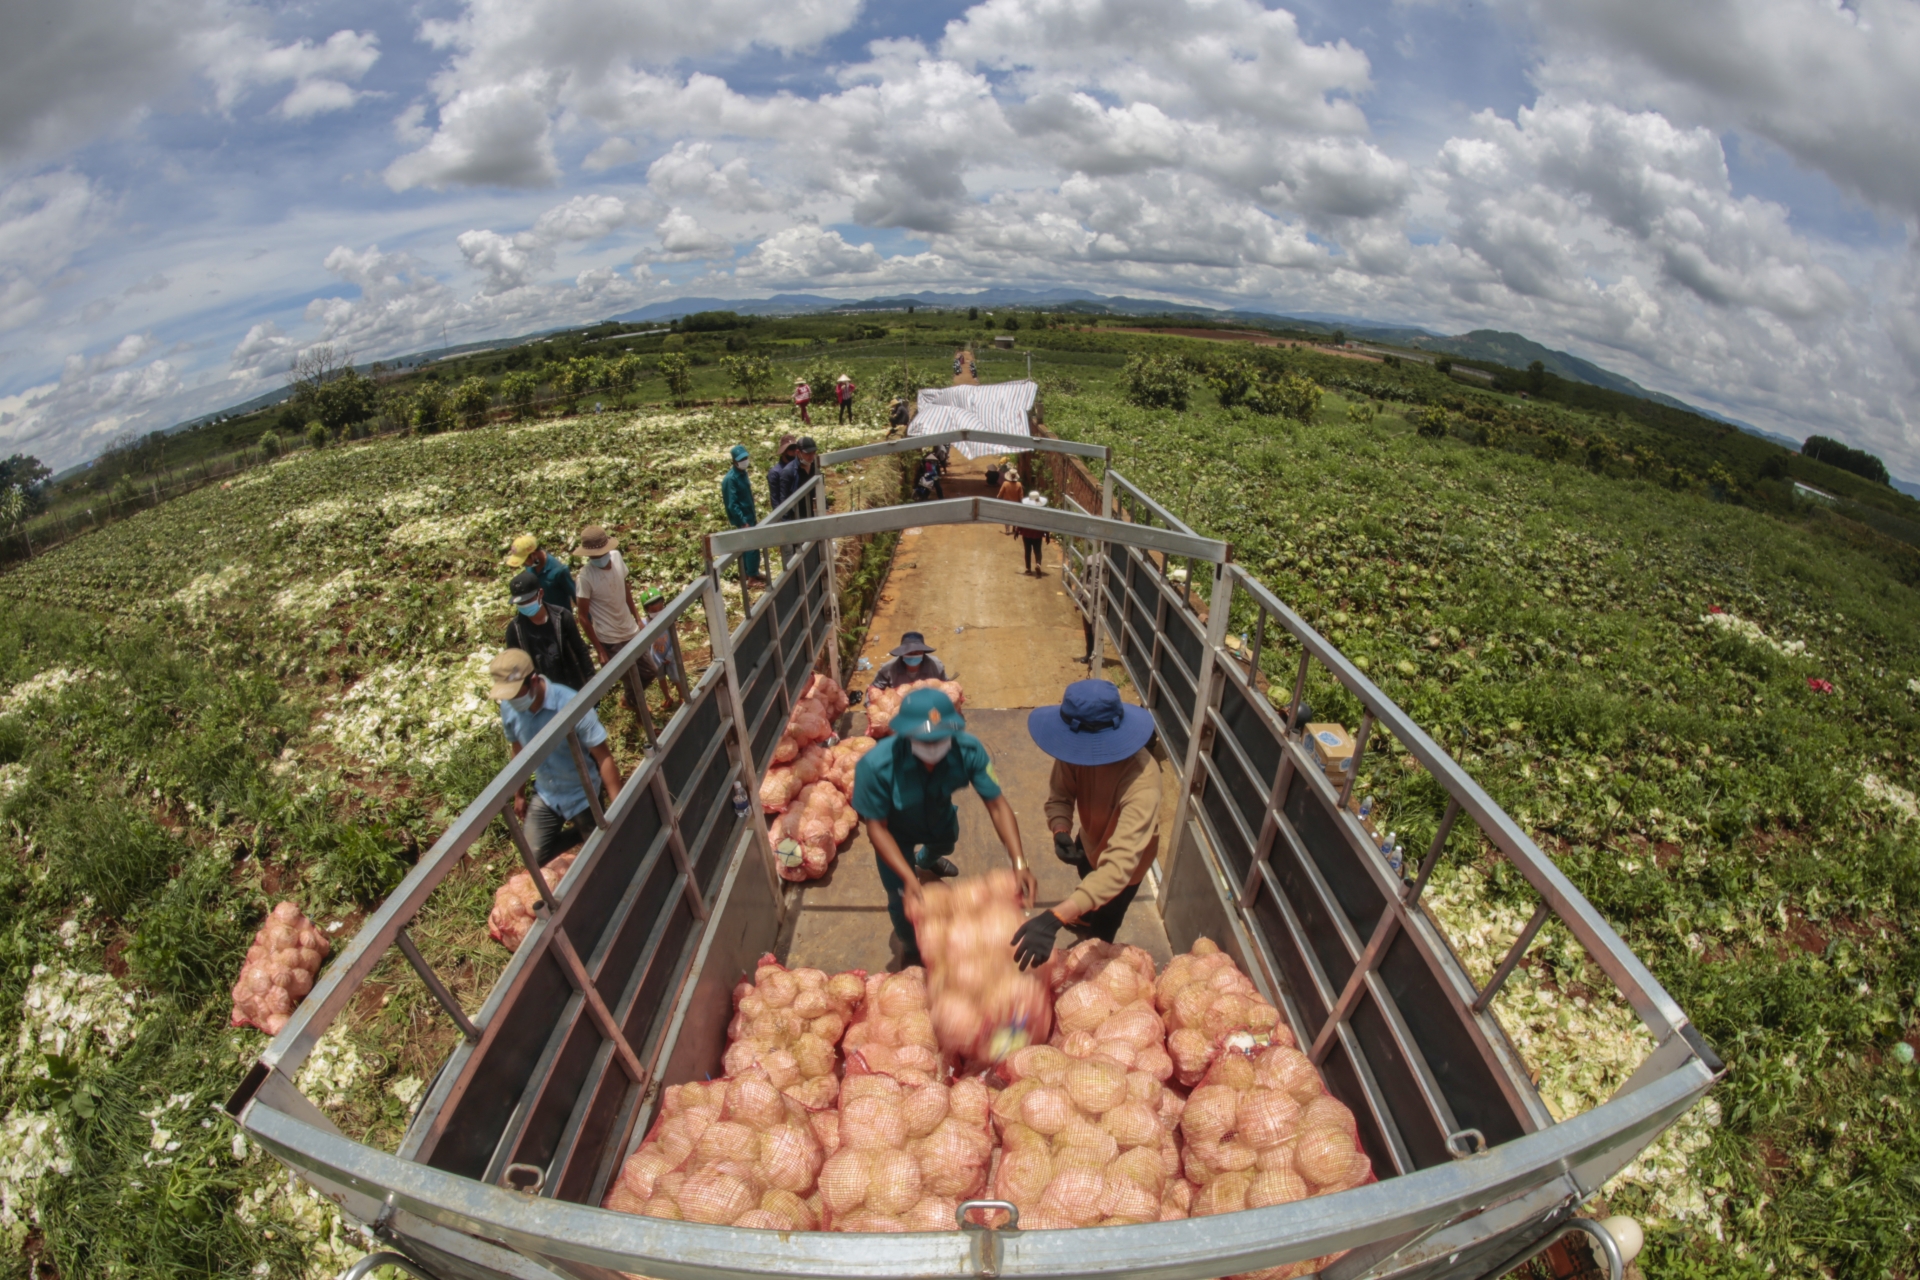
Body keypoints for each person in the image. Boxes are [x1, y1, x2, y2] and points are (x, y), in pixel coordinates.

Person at [852, 687, 1034, 968]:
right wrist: (909, 879)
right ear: (905, 734)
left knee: (947, 843)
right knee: (901, 896)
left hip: (939, 819)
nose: (933, 747)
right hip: (894, 835)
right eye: (924, 740)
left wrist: (1019, 861)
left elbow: (997, 805)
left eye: (941, 738)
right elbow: (876, 828)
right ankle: (912, 948)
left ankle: (926, 860)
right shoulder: (875, 766)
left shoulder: (968, 750)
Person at [1011, 679, 1162, 967]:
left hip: (1124, 868)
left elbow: (1118, 867)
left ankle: (1092, 923)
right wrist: (1060, 829)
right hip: (1090, 840)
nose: (1082, 754)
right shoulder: (1074, 750)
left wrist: (1057, 915)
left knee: (1103, 928)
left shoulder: (1142, 782)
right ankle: (1086, 910)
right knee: (1086, 873)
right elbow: (1061, 794)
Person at [490, 649, 625, 863]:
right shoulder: (509, 709)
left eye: (516, 694)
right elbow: (518, 751)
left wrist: (620, 806)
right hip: (547, 793)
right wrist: (519, 794)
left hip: (582, 793)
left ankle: (594, 829)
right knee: (532, 856)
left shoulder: (570, 704)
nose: (512, 701)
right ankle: (582, 834)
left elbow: (603, 757)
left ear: (533, 681)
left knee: (604, 854)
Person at [504, 568, 595, 692]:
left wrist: (591, 680)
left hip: (572, 687)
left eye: (529, 600)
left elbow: (579, 649)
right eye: (521, 603)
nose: (525, 605)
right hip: (542, 695)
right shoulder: (515, 630)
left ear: (540, 593)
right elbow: (516, 667)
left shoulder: (562, 617)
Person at [573, 525, 642, 664]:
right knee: (629, 676)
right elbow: (583, 617)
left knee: (649, 670)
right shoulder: (585, 577)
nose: (599, 557)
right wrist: (600, 650)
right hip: (609, 637)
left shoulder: (616, 557)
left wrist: (638, 618)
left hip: (629, 627)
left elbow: (625, 588)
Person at [721, 445, 767, 588]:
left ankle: (752, 572)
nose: (745, 461)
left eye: (746, 458)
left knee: (753, 546)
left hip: (749, 514)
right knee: (750, 546)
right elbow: (732, 504)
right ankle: (751, 577)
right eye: (742, 459)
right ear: (734, 461)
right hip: (744, 518)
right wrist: (742, 521)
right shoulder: (731, 479)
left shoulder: (743, 473)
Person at [634, 587, 683, 713]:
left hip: (670, 658)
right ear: (646, 610)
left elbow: (675, 641)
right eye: (653, 610)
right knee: (661, 678)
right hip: (656, 660)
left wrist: (670, 656)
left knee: (676, 677)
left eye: (660, 608)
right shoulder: (644, 624)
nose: (658, 612)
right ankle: (667, 697)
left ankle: (682, 696)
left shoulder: (668, 621)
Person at [504, 533, 577, 612]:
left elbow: (575, 595)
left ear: (533, 555)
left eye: (524, 561)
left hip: (560, 618)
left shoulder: (559, 571)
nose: (523, 564)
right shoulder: (531, 566)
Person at [868, 631, 946, 691]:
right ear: (902, 653)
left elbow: (947, 688)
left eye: (917, 652)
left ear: (923, 652)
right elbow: (874, 690)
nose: (913, 655)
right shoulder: (889, 668)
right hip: (900, 708)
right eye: (910, 653)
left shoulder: (936, 666)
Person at [1015, 492, 1050, 575]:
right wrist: (1047, 535)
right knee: (1037, 550)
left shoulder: (1026, 511)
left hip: (1026, 533)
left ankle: (1028, 569)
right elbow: (1045, 523)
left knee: (1027, 551)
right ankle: (1038, 564)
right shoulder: (1041, 512)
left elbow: (1022, 521)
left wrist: (1017, 531)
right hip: (1037, 534)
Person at [767, 434, 799, 510]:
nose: (794, 452)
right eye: (791, 449)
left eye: (795, 448)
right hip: (786, 512)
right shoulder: (775, 473)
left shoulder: (798, 467)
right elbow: (775, 498)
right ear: (784, 451)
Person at [995, 466, 1024, 534]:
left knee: (1007, 516)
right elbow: (1021, 496)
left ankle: (1007, 530)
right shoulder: (1019, 484)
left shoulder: (1005, 484)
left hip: (1007, 503)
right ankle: (1014, 528)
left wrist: (998, 497)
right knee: (1014, 516)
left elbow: (1001, 493)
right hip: (1015, 503)